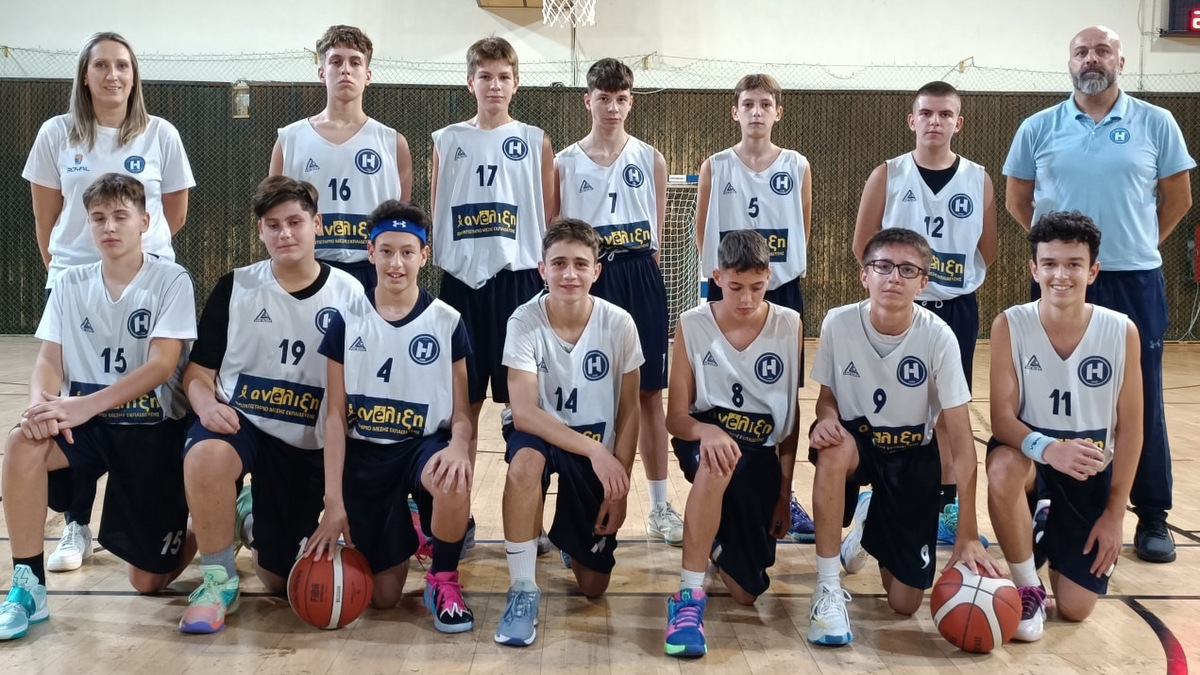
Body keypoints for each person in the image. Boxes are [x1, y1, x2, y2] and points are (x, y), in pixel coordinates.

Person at [1002, 25, 1194, 563]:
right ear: (1070, 61)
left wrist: (1137, 244)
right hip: (1059, 280)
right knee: (1041, 390)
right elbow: (1019, 200)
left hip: (1132, 279)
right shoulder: (1038, 127)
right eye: (1082, 51)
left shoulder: (1157, 122)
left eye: (1102, 50)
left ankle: (1151, 513)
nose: (1092, 58)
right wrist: (1061, 260)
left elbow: (1177, 198)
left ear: (1120, 61)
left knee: (1142, 398)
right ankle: (1041, 501)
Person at [22, 31, 195, 573]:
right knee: (71, 403)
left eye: (122, 65)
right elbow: (46, 217)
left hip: (145, 279)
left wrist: (138, 260)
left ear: (134, 74)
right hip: (77, 278)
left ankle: (167, 508)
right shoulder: (56, 133)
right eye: (101, 65)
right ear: (85, 74)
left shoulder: (161, 133)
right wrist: (69, 268)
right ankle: (75, 523)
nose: (112, 75)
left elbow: (173, 213)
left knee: (146, 406)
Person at [0, 173, 196, 641]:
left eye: (120, 216)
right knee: (22, 443)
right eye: (98, 218)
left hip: (152, 429)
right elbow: (49, 358)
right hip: (89, 427)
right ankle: (28, 587)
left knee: (147, 583)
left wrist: (84, 406)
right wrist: (38, 407)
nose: (109, 226)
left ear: (145, 221)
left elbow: (161, 365)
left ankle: (209, 523)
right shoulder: (70, 282)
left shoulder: (171, 280)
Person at [177, 176, 364, 634]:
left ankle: (246, 513)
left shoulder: (351, 294)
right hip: (244, 423)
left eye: (295, 222)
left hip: (307, 441)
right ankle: (218, 580)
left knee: (279, 579)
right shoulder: (236, 287)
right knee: (206, 453)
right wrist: (204, 405)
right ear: (260, 230)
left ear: (317, 224)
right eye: (273, 225)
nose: (285, 233)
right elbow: (197, 373)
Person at [805, 228, 1001, 646]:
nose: (894, 277)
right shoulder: (839, 322)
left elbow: (962, 443)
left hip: (911, 454)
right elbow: (827, 400)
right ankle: (827, 587)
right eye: (883, 266)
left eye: (907, 270)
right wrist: (825, 419)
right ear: (865, 275)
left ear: (923, 282)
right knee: (833, 449)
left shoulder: (939, 337)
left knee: (904, 602)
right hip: (858, 445)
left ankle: (869, 521)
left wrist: (967, 533)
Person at [304, 201, 475, 633]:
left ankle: (443, 579)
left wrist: (459, 446)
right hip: (367, 455)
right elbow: (335, 417)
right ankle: (411, 528)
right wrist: (333, 502)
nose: (396, 263)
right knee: (382, 598)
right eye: (386, 251)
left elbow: (461, 414)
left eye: (406, 252)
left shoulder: (447, 321)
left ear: (424, 255)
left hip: (422, 447)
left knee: (453, 477)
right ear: (370, 252)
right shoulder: (346, 320)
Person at [852, 80, 997, 546]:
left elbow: (988, 250)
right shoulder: (888, 174)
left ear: (959, 122)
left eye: (945, 114)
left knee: (950, 411)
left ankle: (947, 505)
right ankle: (881, 494)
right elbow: (863, 245)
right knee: (894, 405)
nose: (936, 121)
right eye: (927, 113)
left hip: (955, 309)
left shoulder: (978, 178)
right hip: (899, 309)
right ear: (912, 120)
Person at [987, 211, 1142, 642]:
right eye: (1050, 263)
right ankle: (1027, 585)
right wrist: (1050, 449)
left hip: (1088, 475)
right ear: (1034, 269)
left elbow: (1131, 429)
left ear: (1093, 270)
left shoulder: (1121, 331)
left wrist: (1115, 514)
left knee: (1075, 609)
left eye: (1074, 264)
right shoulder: (1010, 324)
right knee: (1002, 467)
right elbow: (1002, 419)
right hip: (1033, 464)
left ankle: (1047, 531)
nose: (1061, 275)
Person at [552, 57, 683, 548]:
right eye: (603, 98)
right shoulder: (564, 162)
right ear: (588, 100)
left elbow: (657, 237)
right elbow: (555, 233)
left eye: (621, 99)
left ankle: (659, 506)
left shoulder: (651, 159)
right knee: (583, 391)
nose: (612, 107)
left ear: (631, 102)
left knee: (648, 393)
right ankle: (575, 506)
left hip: (639, 276)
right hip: (588, 279)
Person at [494, 219, 642, 647]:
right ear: (542, 269)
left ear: (597, 270)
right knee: (525, 463)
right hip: (544, 434)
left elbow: (630, 410)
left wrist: (620, 486)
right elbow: (524, 413)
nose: (569, 274)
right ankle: (523, 588)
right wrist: (595, 453)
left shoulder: (620, 323)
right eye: (559, 263)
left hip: (597, 444)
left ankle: (567, 539)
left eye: (580, 264)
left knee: (593, 586)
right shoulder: (524, 320)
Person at [662, 230, 802, 659]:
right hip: (706, 440)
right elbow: (675, 418)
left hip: (758, 452)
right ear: (717, 277)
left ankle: (712, 540)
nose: (746, 298)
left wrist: (784, 494)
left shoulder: (789, 324)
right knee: (717, 463)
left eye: (757, 287)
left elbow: (791, 420)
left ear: (769, 278)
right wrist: (707, 432)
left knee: (745, 593)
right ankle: (688, 599)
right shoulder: (692, 323)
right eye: (736, 287)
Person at [694, 73, 814, 541]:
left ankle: (785, 492)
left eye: (765, 104)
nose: (757, 112)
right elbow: (704, 234)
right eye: (748, 104)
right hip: (728, 291)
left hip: (779, 290)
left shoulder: (797, 165)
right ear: (735, 111)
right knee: (717, 391)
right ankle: (717, 486)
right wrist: (728, 284)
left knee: (783, 396)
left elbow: (801, 230)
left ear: (778, 112)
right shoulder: (716, 166)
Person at [430, 36, 554, 470]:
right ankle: (456, 503)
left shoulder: (535, 141)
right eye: (485, 76)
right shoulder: (447, 140)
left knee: (523, 405)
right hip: (461, 283)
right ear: (470, 82)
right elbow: (437, 210)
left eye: (503, 77)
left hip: (517, 281)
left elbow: (549, 217)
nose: (495, 85)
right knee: (462, 405)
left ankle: (526, 500)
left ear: (516, 83)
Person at [269, 24, 412, 290]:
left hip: (370, 271)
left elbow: (399, 224)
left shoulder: (393, 143)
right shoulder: (289, 140)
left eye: (355, 62)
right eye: (336, 61)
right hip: (309, 268)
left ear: (367, 75)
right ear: (322, 72)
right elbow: (274, 215)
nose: (345, 69)